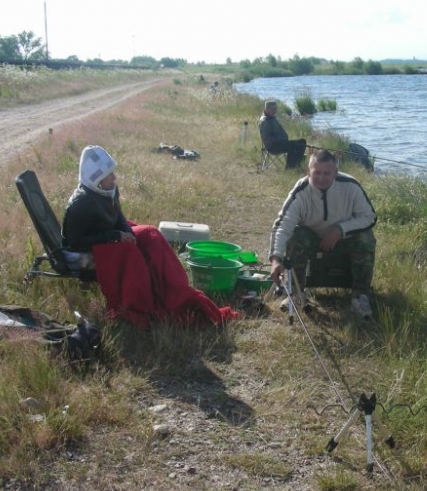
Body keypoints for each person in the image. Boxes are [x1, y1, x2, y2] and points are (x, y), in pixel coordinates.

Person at [62, 145, 239, 328]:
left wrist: (128, 233)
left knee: (150, 234)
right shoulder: (81, 204)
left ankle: (175, 291)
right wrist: (115, 236)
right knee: (131, 252)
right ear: (96, 179)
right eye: (109, 175)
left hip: (108, 238)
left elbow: (118, 216)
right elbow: (75, 242)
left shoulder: (108, 190)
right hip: (86, 251)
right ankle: (142, 306)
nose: (114, 178)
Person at [269, 149, 377, 319]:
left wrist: (340, 230)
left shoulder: (350, 186)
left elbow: (369, 217)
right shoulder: (301, 191)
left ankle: (360, 296)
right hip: (312, 236)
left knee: (366, 239)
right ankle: (296, 293)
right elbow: (283, 226)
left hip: (343, 238)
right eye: (316, 172)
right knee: (296, 235)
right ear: (308, 172)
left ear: (335, 172)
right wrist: (275, 260)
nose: (321, 177)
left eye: (327, 173)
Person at [258, 100, 306, 169]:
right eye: (273, 109)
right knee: (295, 146)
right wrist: (281, 138)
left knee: (302, 142)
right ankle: (290, 168)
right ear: (267, 109)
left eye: (276, 109)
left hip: (280, 143)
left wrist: (283, 138)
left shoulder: (271, 117)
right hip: (273, 147)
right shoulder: (265, 121)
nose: (275, 111)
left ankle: (296, 165)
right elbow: (268, 139)